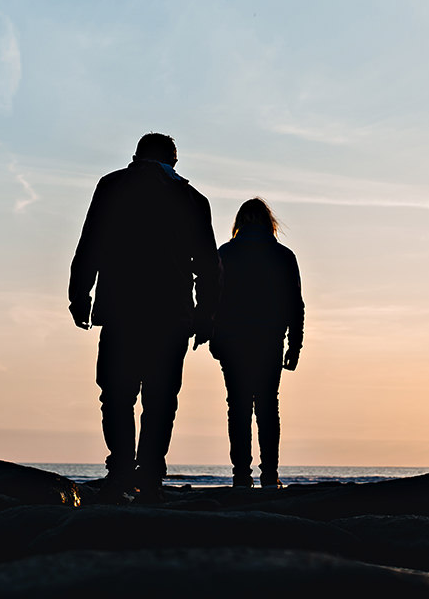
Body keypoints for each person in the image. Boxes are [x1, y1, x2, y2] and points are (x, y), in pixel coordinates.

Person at [68, 133, 221, 502]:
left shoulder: (112, 186)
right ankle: (150, 474)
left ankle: (120, 471)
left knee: (117, 394)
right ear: (174, 161)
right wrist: (205, 315)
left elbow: (91, 241)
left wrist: (80, 295)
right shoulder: (191, 198)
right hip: (172, 312)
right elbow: (207, 263)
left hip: (121, 307)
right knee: (161, 397)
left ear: (135, 156)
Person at [211, 198, 304, 488]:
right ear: (269, 224)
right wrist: (294, 345)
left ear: (239, 222)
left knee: (237, 406)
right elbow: (295, 304)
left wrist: (213, 337)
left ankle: (241, 475)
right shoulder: (283, 256)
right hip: (269, 340)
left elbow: (213, 299)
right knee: (267, 405)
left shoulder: (225, 253)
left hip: (232, 340)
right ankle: (269, 474)